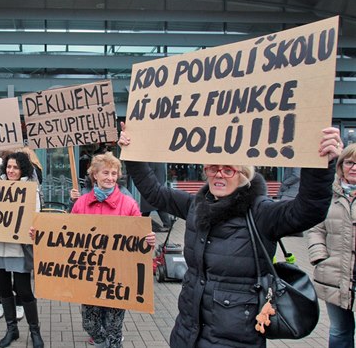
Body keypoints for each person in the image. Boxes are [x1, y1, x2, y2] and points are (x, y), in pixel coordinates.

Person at [119, 123, 341, 348]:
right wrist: (132, 153)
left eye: (228, 170)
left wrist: (322, 164)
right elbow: (155, 193)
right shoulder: (196, 205)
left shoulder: (260, 211)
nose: (219, 175)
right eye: (212, 168)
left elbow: (308, 210)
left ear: (243, 174)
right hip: (188, 333)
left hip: (236, 338)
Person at [68, 152, 156, 348]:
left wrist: (149, 240)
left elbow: (140, 238)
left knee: (113, 328)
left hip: (118, 278)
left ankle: (112, 343)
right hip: (89, 276)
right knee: (89, 323)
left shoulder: (129, 203)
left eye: (114, 173)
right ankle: (102, 342)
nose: (110, 177)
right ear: (95, 175)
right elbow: (67, 236)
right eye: (105, 173)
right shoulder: (81, 203)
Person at [0, 152, 44, 348]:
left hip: (18, 248)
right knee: (3, 290)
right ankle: (11, 329)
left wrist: (33, 228)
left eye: (16, 168)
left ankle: (34, 330)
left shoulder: (31, 189)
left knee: (24, 290)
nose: (12, 171)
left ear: (23, 169)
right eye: (9, 167)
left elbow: (35, 216)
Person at [307, 143, 356, 348]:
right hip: (335, 274)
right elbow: (316, 229)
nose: (353, 167)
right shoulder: (329, 195)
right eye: (349, 162)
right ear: (341, 165)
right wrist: (320, 257)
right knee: (339, 330)